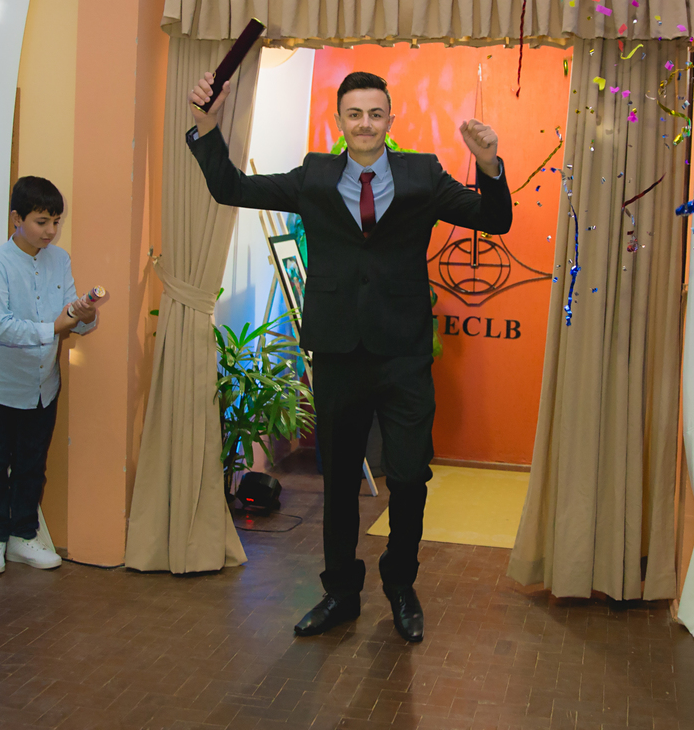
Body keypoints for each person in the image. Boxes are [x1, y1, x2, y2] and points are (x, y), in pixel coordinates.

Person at [186, 70, 511, 642]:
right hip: (338, 352)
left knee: (409, 478)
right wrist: (207, 126)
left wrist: (489, 166)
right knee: (338, 480)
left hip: (404, 356)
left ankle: (401, 587)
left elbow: (494, 219)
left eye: (375, 114)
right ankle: (340, 592)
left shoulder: (422, 174)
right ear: (341, 121)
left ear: (390, 119)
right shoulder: (314, 176)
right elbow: (231, 187)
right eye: (354, 114)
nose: (365, 124)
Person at [0, 177, 98, 574]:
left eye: (56, 222)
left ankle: (23, 536)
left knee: (31, 464)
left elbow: (70, 317)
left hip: (43, 384)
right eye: (42, 221)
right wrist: (55, 328)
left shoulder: (59, 260)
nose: (50, 231)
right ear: (17, 218)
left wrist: (85, 316)